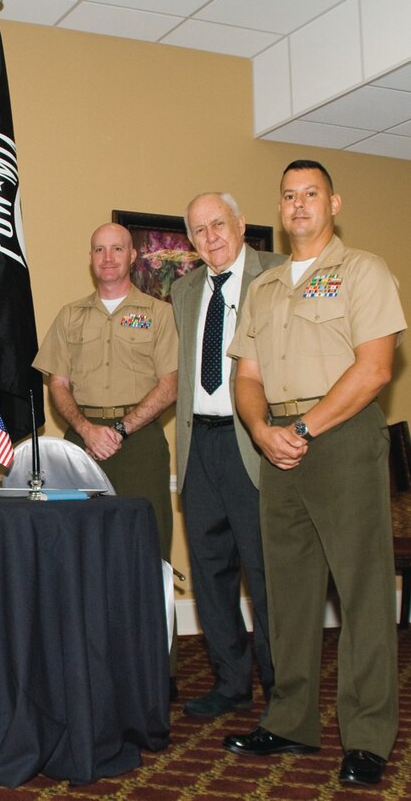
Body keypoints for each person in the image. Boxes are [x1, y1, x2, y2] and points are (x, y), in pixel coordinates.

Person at [224, 160, 405, 787]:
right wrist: (263, 429)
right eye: (289, 196)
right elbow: (246, 376)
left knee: (363, 593)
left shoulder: (362, 271)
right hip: (277, 443)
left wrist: (304, 429)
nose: (299, 205)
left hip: (341, 436)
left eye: (312, 195)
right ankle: (291, 719)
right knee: (289, 594)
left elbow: (376, 368)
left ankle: (369, 735)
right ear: (280, 207)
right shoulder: (264, 286)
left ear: (334, 204)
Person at [33, 222, 178, 689]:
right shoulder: (70, 316)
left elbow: (170, 383)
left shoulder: (159, 314)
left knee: (147, 553)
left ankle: (155, 670)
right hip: (82, 443)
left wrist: (120, 428)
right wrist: (86, 430)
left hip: (140, 444)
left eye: (117, 249)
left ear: (133, 255)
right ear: (90, 257)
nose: (108, 258)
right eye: (99, 250)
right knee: (79, 556)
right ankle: (85, 665)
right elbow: (57, 382)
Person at [171, 193, 281, 719]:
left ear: (240, 224)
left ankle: (284, 690)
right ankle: (232, 683)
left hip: (252, 441)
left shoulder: (278, 273)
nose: (210, 236)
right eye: (199, 230)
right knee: (211, 572)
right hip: (199, 446)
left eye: (219, 224)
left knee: (265, 573)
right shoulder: (183, 290)